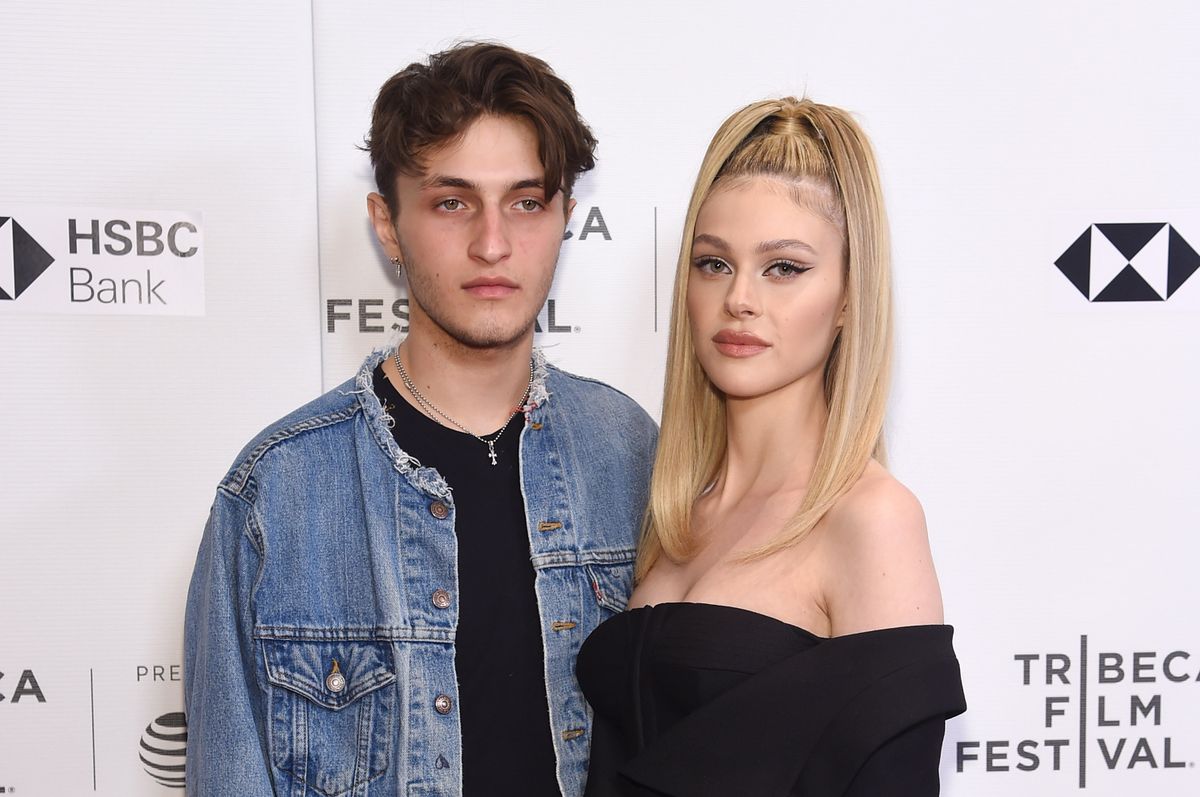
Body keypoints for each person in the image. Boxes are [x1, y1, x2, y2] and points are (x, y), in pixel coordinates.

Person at [184, 43, 656, 797]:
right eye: (452, 201)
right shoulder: (275, 494)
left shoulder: (631, 452)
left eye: (527, 201)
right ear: (387, 224)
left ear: (566, 214)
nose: (493, 243)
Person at [577, 98, 966, 796]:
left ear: (849, 296)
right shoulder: (670, 517)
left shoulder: (871, 519)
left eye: (784, 267)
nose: (740, 300)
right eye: (713, 263)